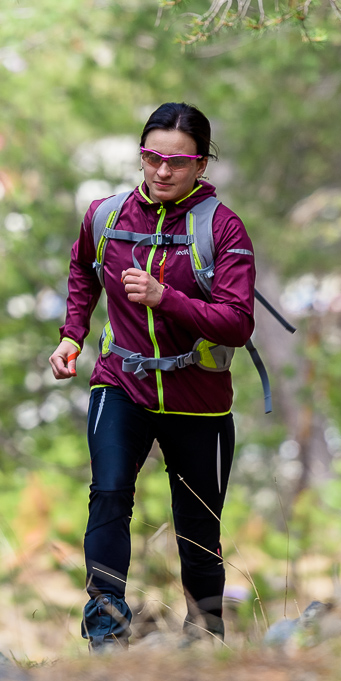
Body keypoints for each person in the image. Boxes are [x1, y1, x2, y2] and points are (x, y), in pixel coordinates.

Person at [49, 102, 256, 650]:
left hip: (200, 399)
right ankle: (106, 630)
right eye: (152, 157)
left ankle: (206, 631)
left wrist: (168, 299)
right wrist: (72, 335)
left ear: (201, 165)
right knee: (110, 492)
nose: (162, 171)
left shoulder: (223, 228)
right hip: (122, 383)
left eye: (178, 162)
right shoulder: (106, 216)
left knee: (198, 525)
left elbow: (237, 322)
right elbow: (81, 269)